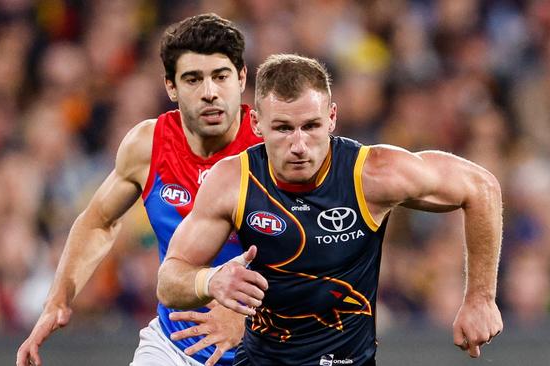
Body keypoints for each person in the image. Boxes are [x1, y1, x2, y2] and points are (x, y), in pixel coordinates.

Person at [157, 54, 504, 366]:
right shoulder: (234, 181)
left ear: (332, 117)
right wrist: (210, 280)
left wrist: (481, 298)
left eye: (311, 126)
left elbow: (481, 187)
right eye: (282, 129)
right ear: (256, 124)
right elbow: (170, 281)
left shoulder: (372, 175)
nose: (298, 145)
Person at [16, 14, 262, 366]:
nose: (209, 92)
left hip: (264, 347)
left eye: (220, 77)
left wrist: (247, 318)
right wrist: (57, 299)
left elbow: (319, 256)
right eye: (193, 79)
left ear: (241, 78)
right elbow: (98, 221)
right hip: (174, 346)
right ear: (171, 87)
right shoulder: (148, 145)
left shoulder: (273, 148)